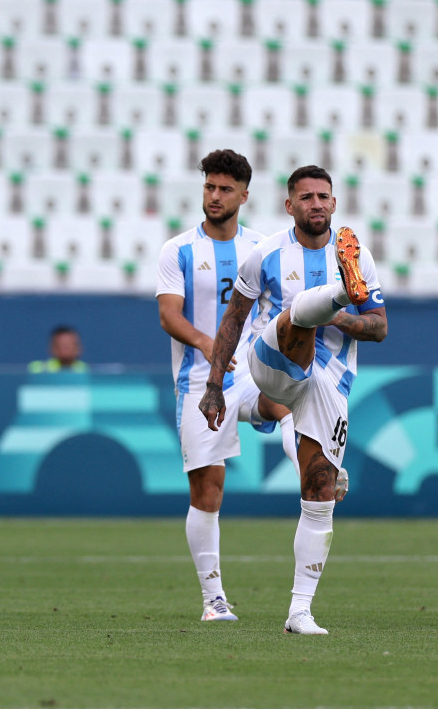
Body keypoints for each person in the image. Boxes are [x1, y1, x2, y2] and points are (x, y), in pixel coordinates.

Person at [199, 165, 387, 635]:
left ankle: (299, 611)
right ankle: (338, 294)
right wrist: (213, 383)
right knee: (295, 318)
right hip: (271, 360)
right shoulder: (265, 255)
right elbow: (233, 321)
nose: (316, 204)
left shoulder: (360, 256)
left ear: (334, 204)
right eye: (306, 197)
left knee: (320, 490)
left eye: (324, 196)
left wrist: (343, 321)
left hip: (329, 385)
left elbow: (381, 328)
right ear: (290, 206)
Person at [156, 149, 299, 623]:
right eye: (209, 188)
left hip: (250, 373)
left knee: (293, 405)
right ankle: (213, 600)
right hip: (199, 381)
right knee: (208, 491)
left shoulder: (260, 248)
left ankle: (320, 473)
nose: (214, 196)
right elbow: (169, 314)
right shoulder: (177, 250)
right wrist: (207, 343)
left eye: (224, 189)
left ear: (243, 195)